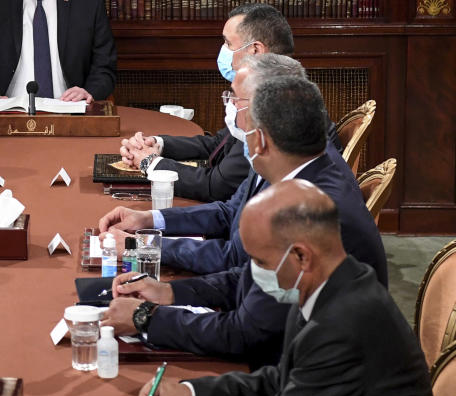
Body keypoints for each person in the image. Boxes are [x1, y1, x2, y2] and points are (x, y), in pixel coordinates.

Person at [102, 181, 440, 396]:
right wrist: (192, 394)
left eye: (260, 261)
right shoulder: (329, 284)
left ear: (301, 256)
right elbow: (281, 380)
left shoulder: (346, 322)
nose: (254, 273)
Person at [102, 74, 387, 368]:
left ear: (261, 140)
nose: (240, 135)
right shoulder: (295, 165)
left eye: (244, 124)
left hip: (312, 372)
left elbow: (244, 331)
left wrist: (146, 317)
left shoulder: (307, 210)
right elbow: (249, 274)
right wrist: (169, 291)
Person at [99, 56, 368, 280]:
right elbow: (229, 213)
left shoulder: (307, 198)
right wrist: (149, 220)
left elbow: (233, 262)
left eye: (235, 99)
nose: (229, 105)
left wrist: (142, 246)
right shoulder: (280, 154)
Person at [119, 3, 296, 202]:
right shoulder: (274, 87)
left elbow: (216, 186)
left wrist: (149, 163)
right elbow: (219, 144)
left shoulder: (277, 105)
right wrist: (158, 145)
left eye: (228, 43)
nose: (223, 51)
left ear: (255, 50)